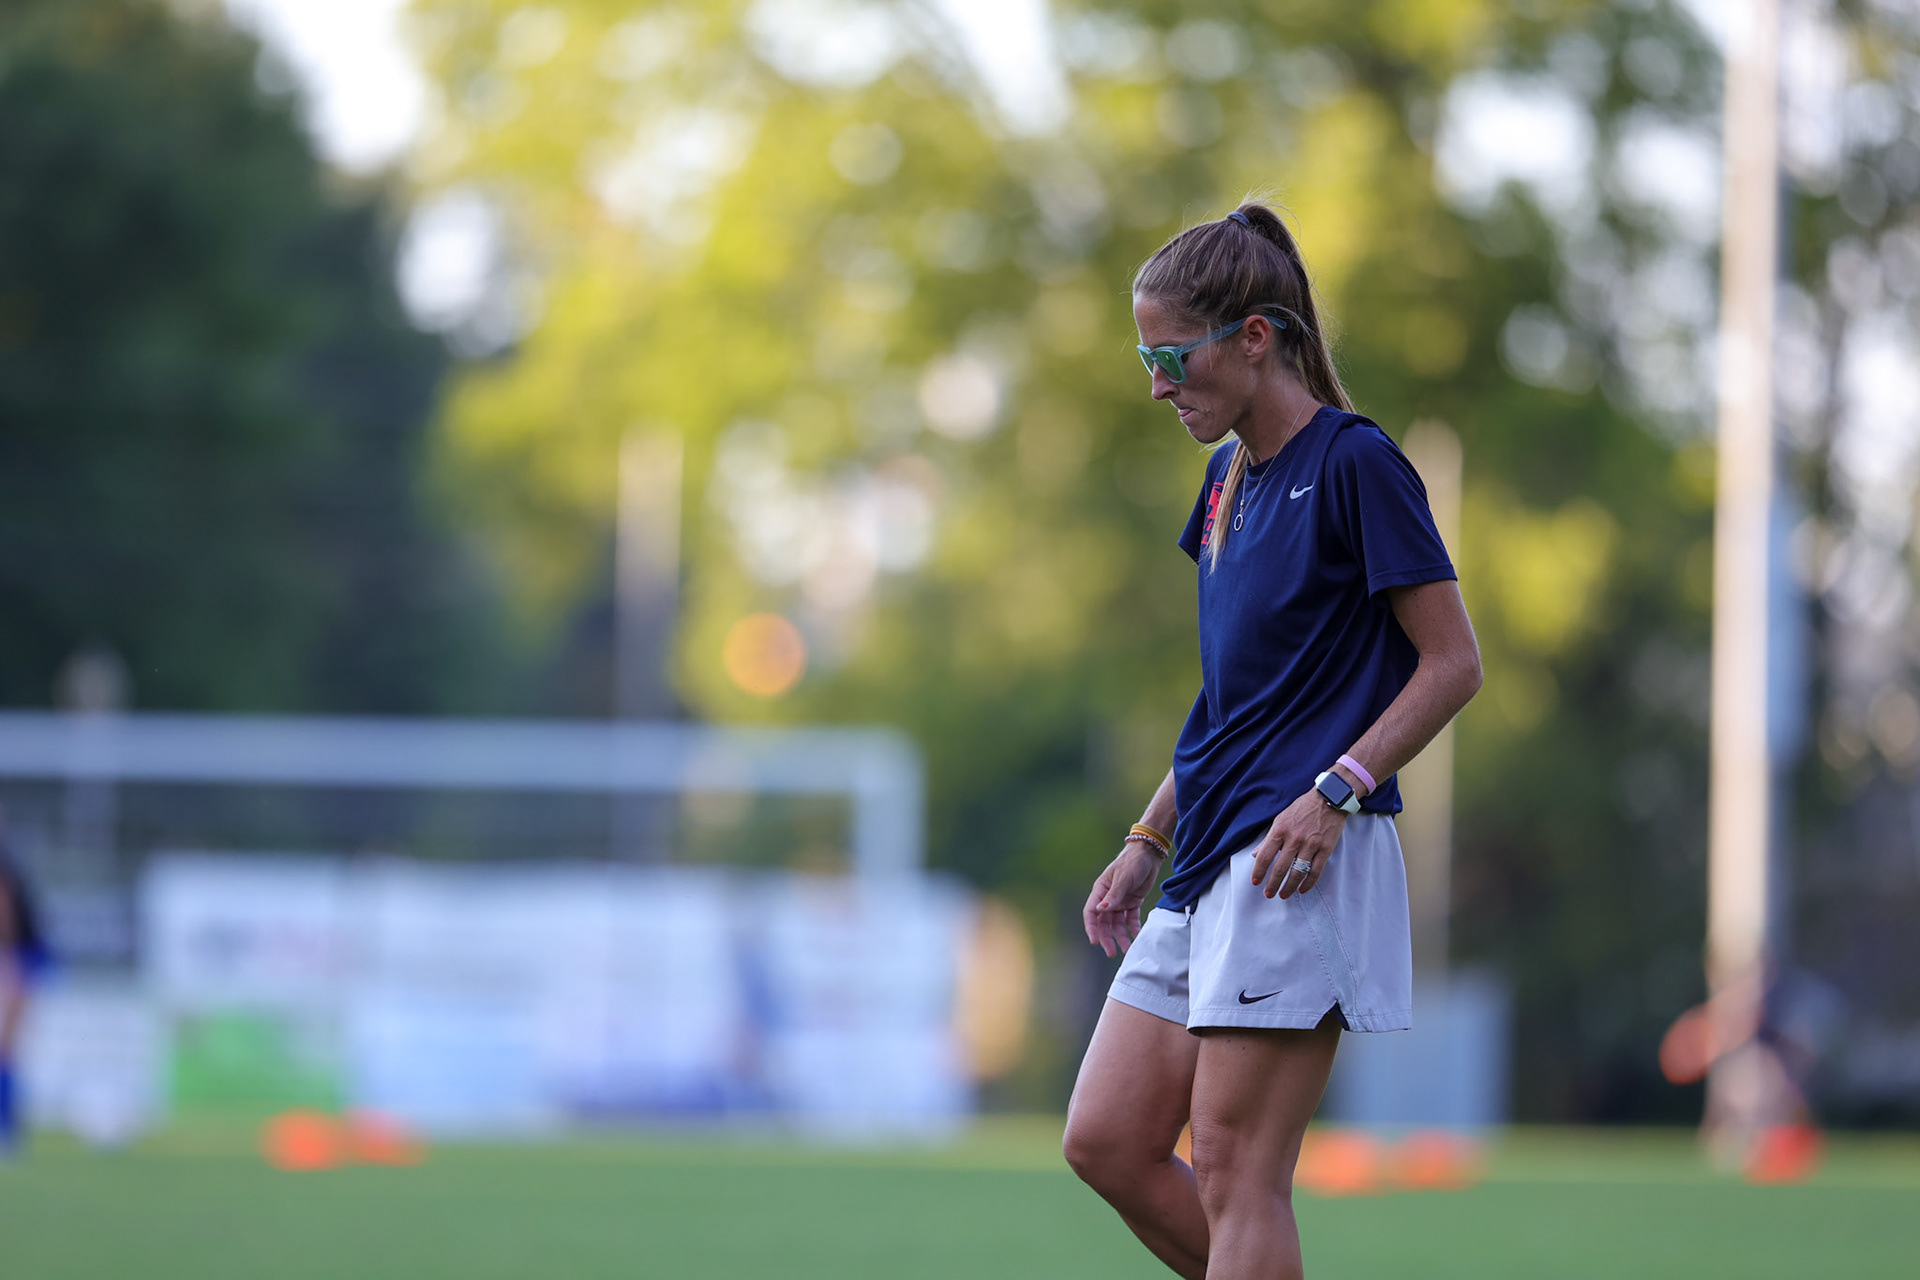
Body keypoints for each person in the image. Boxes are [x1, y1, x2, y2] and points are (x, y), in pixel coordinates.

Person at [1062, 203, 1482, 1280]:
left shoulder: (1357, 464)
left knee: (1239, 1173)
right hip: (1204, 861)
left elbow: (1453, 663)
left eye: (1173, 355)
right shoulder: (1224, 483)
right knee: (1106, 1138)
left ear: (1256, 336)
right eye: (1146, 357)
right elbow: (1230, 701)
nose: (1158, 383)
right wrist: (1148, 835)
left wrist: (1337, 787)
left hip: (1301, 855)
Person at [0, 813, 51, 1159]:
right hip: (22, 957)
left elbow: (7, 921)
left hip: (18, 958)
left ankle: (8, 1130)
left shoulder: (5, 869)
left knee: (5, 1048)